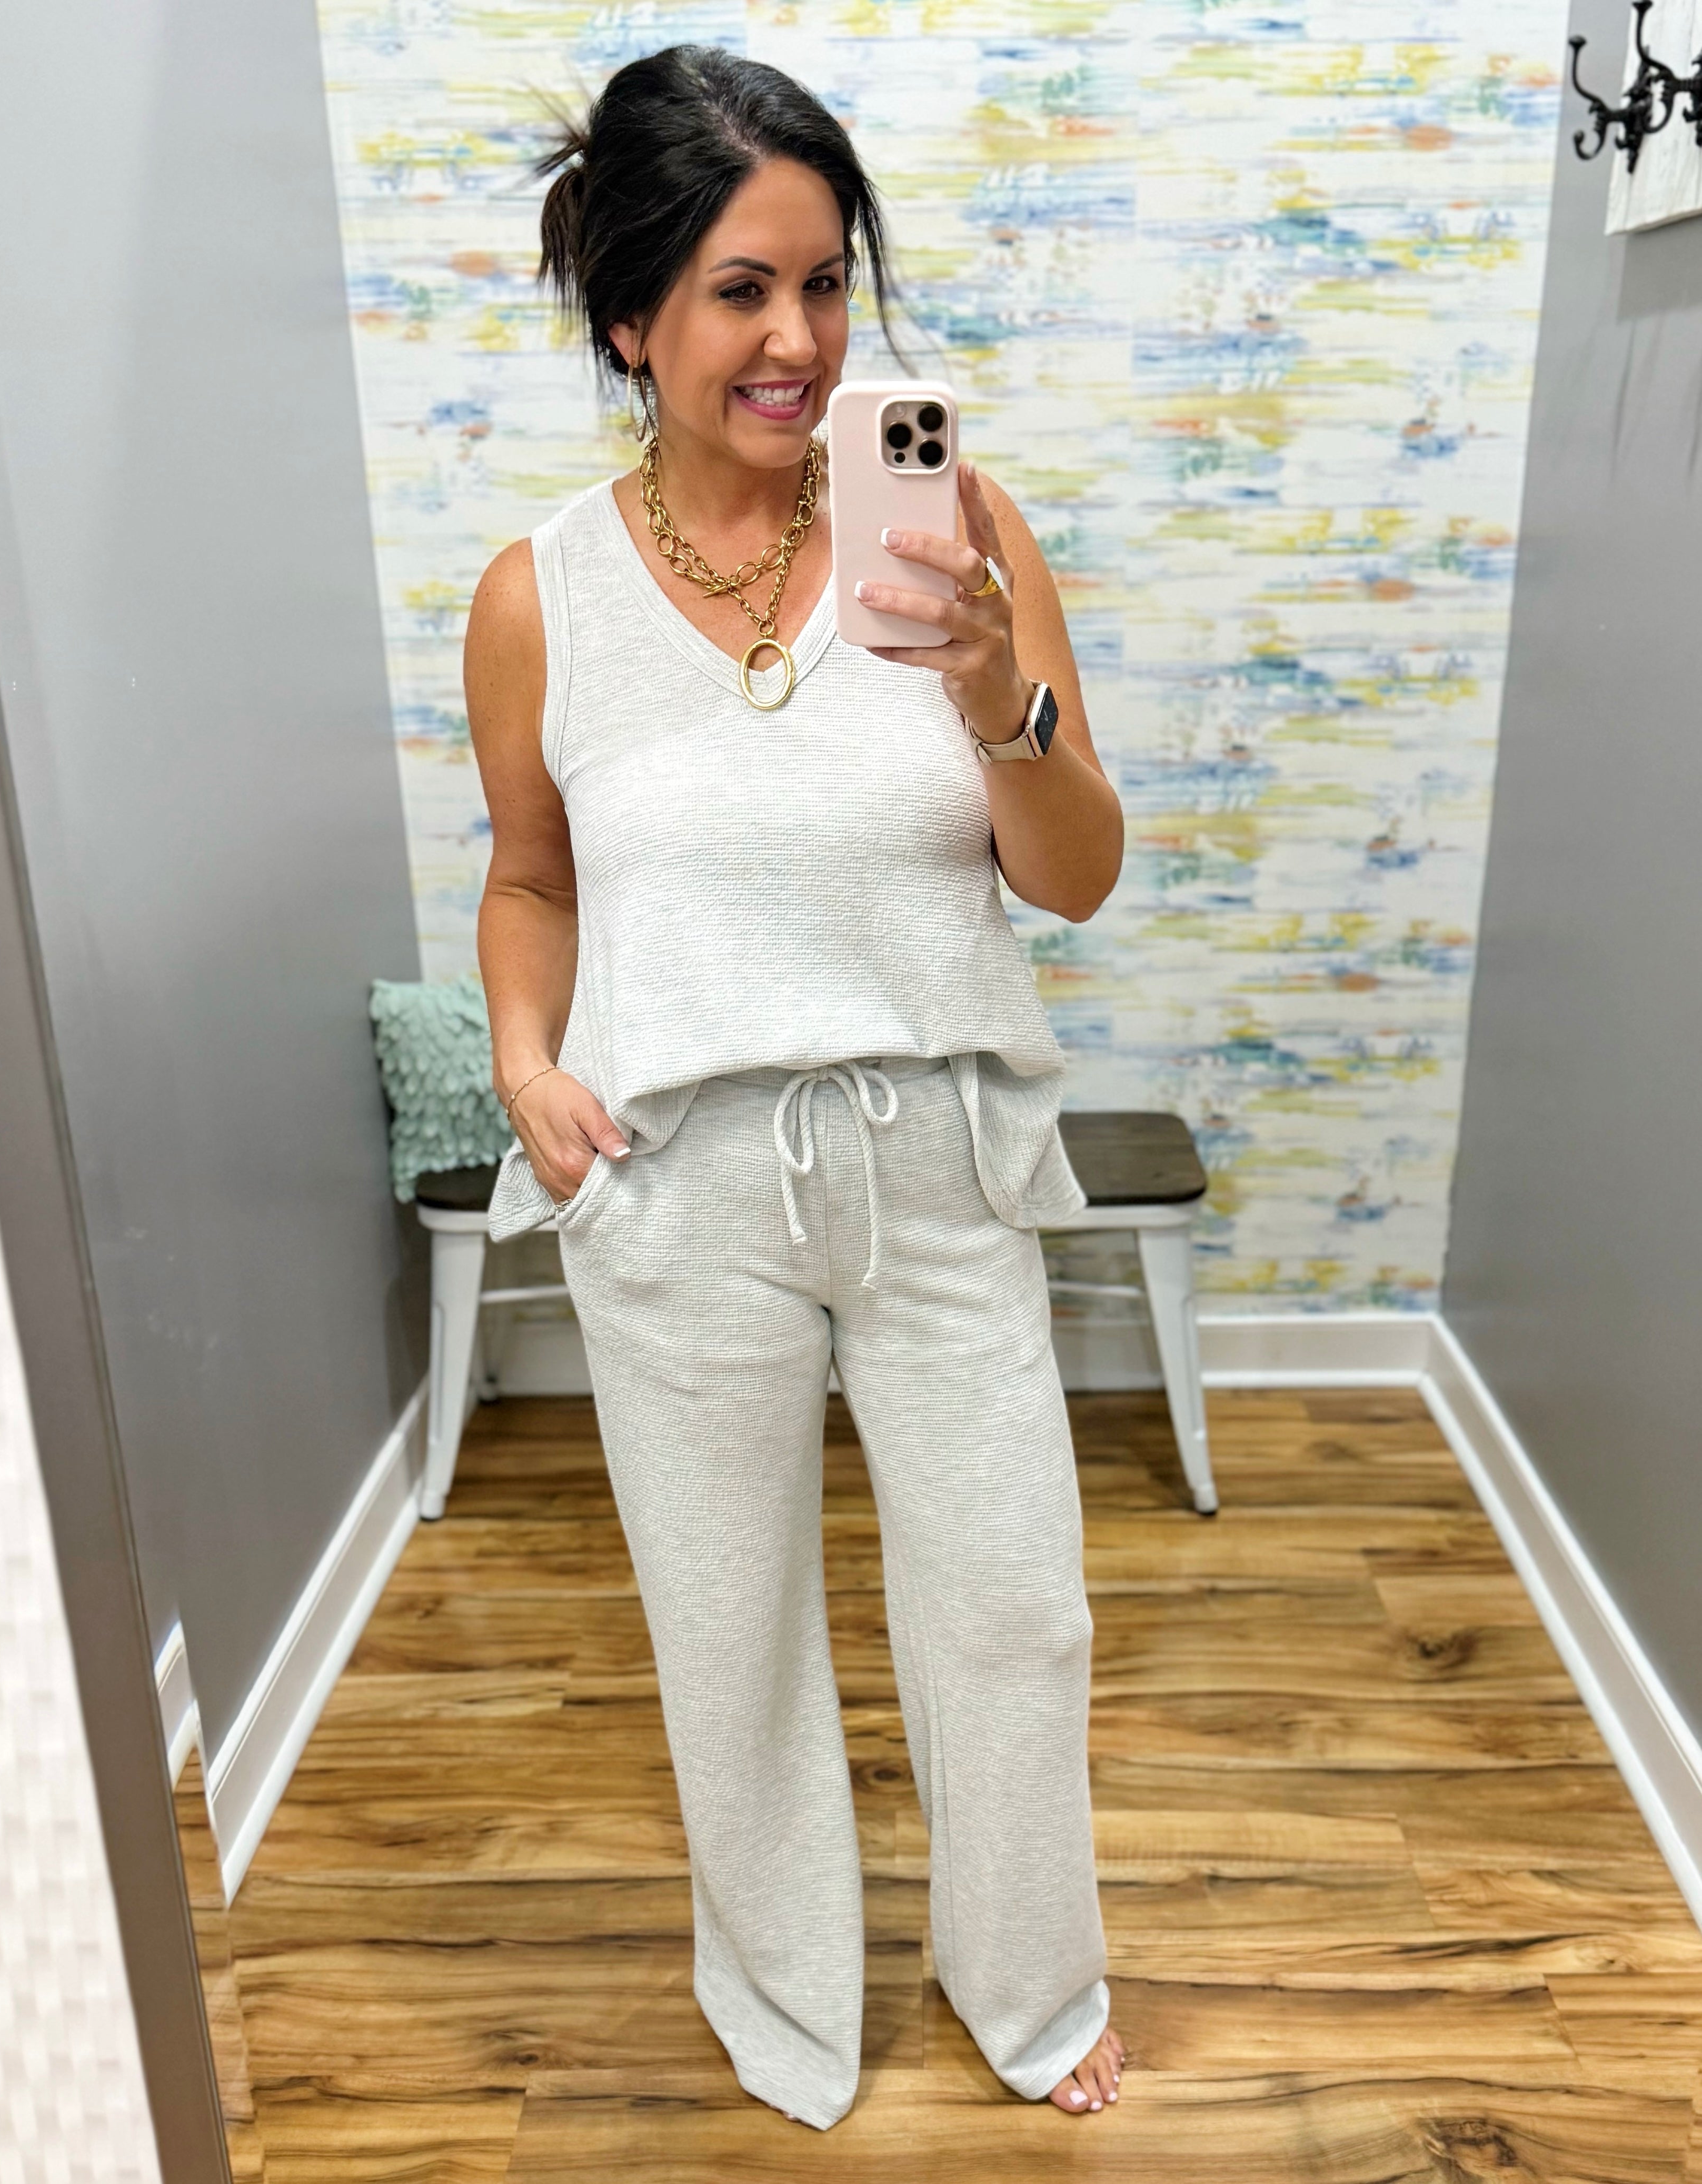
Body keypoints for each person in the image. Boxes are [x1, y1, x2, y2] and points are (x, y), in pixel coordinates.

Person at [465, 43, 1126, 2133]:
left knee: (1012, 1612)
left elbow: (1074, 876)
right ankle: (780, 1998)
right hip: (679, 1182)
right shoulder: (540, 597)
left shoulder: (960, 527)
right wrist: (523, 1062)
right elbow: (531, 877)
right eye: (741, 291)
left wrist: (993, 688)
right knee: (727, 1631)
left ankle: (1031, 1989)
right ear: (630, 319)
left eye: (825, 283)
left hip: (937, 1158)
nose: (799, 342)